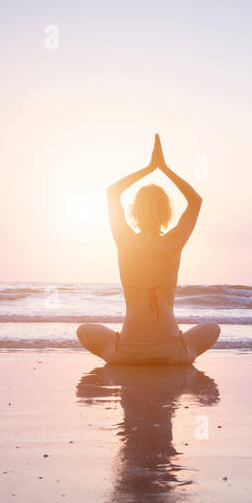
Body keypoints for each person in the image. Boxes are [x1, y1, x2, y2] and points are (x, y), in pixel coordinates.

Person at [76, 135, 220, 364]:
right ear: (166, 213)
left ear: (134, 212)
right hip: (171, 352)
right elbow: (195, 200)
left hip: (126, 353)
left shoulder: (124, 240)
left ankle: (118, 345)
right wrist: (164, 169)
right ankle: (183, 348)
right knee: (213, 328)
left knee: (84, 329)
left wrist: (148, 168)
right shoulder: (174, 242)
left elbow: (112, 192)